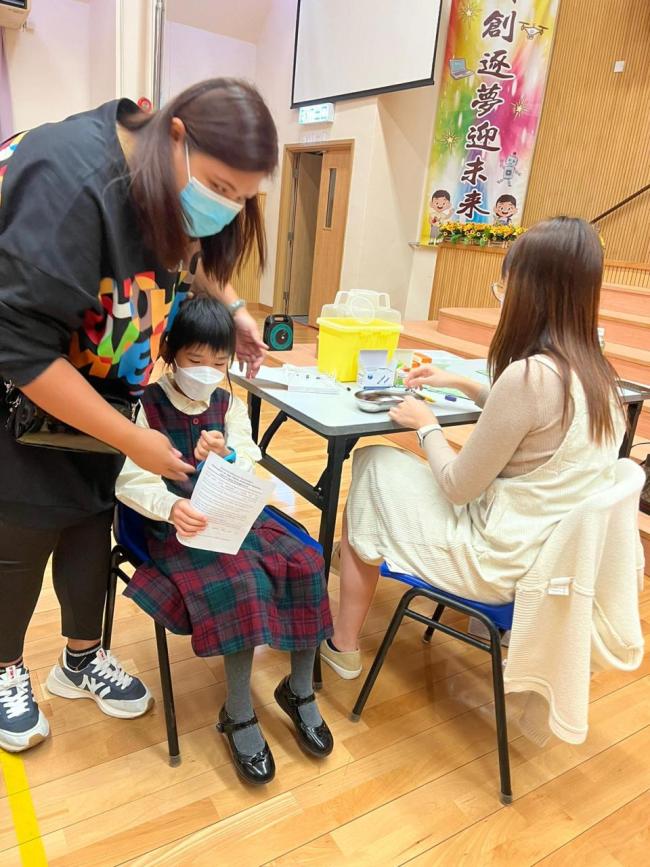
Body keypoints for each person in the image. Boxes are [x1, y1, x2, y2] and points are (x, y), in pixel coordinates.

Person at [0, 78, 276, 752]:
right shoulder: (71, 179)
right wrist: (134, 439)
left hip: (101, 397)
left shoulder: (164, 176)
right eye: (221, 188)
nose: (226, 207)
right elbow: (20, 348)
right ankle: (4, 668)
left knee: (88, 534)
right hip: (25, 398)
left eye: (242, 198)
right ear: (176, 136)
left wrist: (236, 310)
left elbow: (192, 257)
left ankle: (80, 659)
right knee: (19, 543)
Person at [320, 217, 626, 680]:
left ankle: (343, 642)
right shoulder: (599, 376)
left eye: (505, 287)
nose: (502, 299)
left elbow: (457, 486)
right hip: (545, 558)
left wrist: (426, 425)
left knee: (373, 462)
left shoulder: (530, 377)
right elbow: (533, 427)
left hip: (495, 563)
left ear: (531, 291)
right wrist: (462, 383)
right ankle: (352, 554)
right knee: (379, 478)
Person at [115, 295, 333, 784]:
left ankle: (298, 690)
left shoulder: (227, 403)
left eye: (219, 363)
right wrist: (171, 507)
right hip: (176, 522)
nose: (208, 372)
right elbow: (130, 479)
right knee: (241, 581)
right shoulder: (144, 406)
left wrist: (228, 455)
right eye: (195, 360)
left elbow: (250, 460)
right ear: (170, 353)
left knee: (306, 560)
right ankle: (238, 711)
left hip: (233, 513)